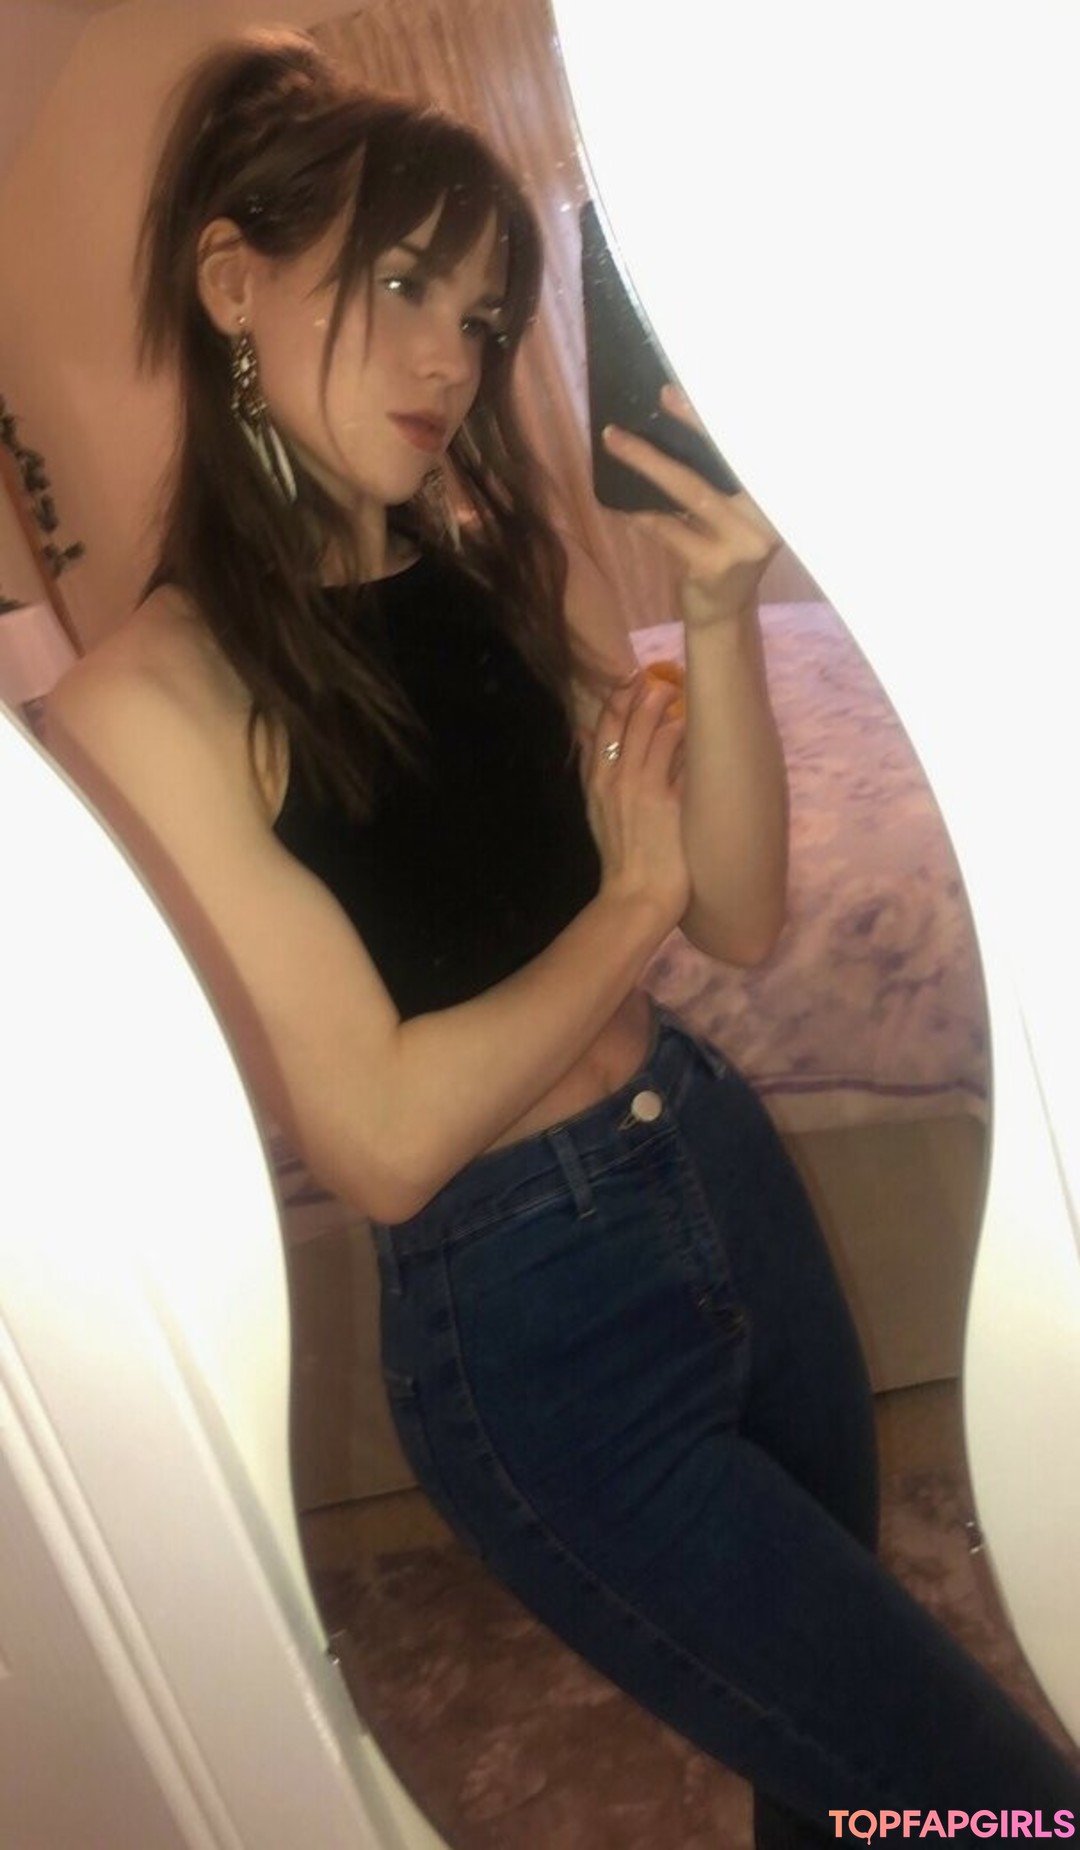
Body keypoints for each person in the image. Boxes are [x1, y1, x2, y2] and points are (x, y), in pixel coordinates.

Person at [45, 29, 1080, 1849]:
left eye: (480, 312)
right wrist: (627, 905)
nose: (453, 357)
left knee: (832, 1773)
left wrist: (720, 612)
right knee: (991, 1799)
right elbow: (381, 1136)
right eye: (399, 285)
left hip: (720, 1169)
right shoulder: (153, 694)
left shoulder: (480, 570)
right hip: (539, 1327)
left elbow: (738, 906)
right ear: (231, 282)